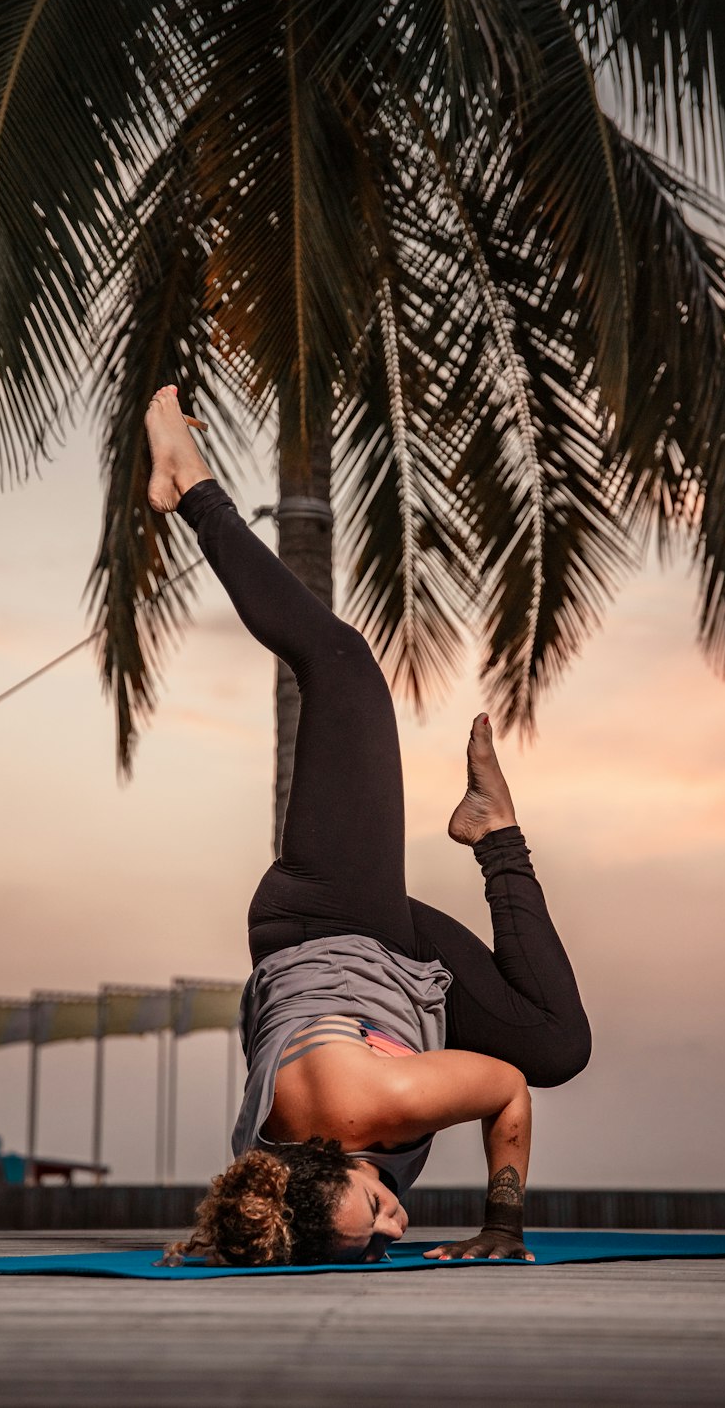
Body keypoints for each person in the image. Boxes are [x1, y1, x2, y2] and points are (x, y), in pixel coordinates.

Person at [145, 385, 591, 1267]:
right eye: (388, 1227)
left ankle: (188, 482)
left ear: (323, 1173)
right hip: (396, 962)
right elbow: (268, 1228)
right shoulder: (276, 1189)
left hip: (329, 919)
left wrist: (503, 1226)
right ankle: (493, 829)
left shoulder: (367, 1107)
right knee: (559, 1044)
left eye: (376, 1208)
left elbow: (503, 1091)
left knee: (344, 667)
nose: (399, 1220)